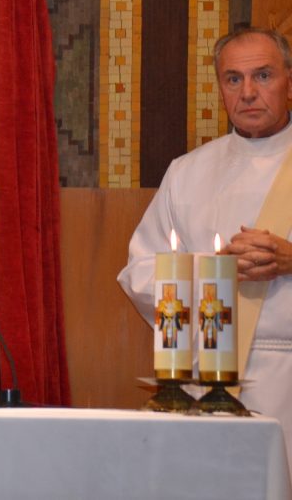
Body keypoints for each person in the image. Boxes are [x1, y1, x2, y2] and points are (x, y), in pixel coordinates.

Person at [118, 28, 292, 469]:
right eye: (233, 79)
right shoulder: (188, 172)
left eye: (263, 75)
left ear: (289, 79)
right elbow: (139, 272)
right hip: (208, 370)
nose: (248, 92)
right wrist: (210, 273)